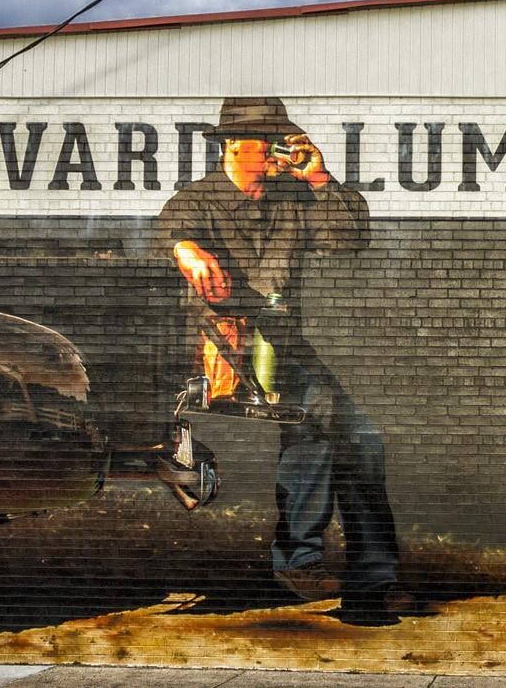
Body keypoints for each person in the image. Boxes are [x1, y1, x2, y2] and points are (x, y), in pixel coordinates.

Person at [154, 95, 408, 623]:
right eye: (265, 139)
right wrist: (187, 250)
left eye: (281, 138)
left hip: (281, 346)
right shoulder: (197, 200)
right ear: (231, 146)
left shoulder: (293, 197)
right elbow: (166, 232)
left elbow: (351, 238)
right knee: (318, 429)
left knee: (355, 440)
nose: (276, 149)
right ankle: (308, 561)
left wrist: (321, 179)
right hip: (219, 349)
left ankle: (363, 578)